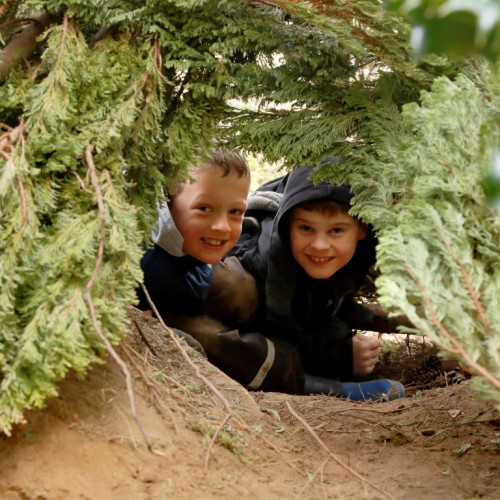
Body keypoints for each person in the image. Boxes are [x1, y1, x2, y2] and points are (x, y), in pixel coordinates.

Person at [177, 161, 406, 402]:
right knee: (219, 323)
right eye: (306, 228)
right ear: (286, 225)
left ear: (361, 229)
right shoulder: (261, 265)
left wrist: (345, 343)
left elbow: (315, 309)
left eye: (336, 231)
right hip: (220, 324)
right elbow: (276, 327)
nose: (320, 244)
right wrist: (340, 356)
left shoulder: (356, 254)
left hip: (272, 328)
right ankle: (320, 388)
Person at [135, 148, 251, 321]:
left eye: (235, 211)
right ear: (165, 205)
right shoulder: (161, 272)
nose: (223, 227)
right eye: (204, 209)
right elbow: (198, 290)